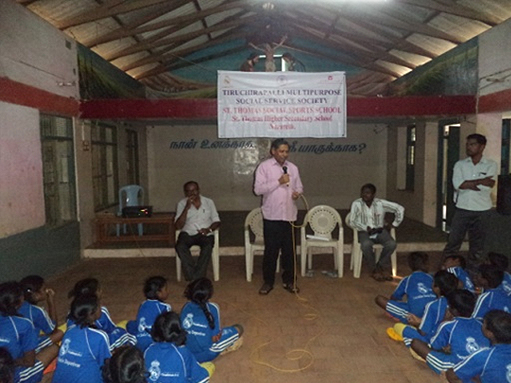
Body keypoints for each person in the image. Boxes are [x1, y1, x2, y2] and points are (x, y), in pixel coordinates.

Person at [254, 138, 303, 295]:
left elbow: (299, 186)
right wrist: (278, 182)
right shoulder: (264, 167)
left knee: (289, 252)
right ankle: (268, 282)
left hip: (289, 216)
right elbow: (258, 190)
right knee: (271, 252)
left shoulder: (293, 168)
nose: (284, 155)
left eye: (287, 151)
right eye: (281, 151)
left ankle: (289, 281)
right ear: (273, 151)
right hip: (272, 217)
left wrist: (297, 194)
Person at [443, 133, 498, 269]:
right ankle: (447, 271)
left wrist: (469, 183)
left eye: (472, 144)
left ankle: (472, 272)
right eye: (467, 144)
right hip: (462, 209)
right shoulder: (460, 165)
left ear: (481, 147)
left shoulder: (491, 165)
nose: (469, 147)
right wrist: (480, 181)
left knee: (477, 246)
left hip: (483, 211)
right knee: (453, 242)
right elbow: (458, 185)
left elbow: (489, 186)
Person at [410, 289, 490, 374]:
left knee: (416, 343)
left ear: (453, 310)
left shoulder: (448, 325)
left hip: (456, 365)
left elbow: (433, 347)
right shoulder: (481, 323)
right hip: (481, 366)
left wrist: (443, 321)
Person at [0, 281, 59, 383]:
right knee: (55, 353)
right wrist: (13, 362)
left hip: (7, 362)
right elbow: (29, 362)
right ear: (20, 300)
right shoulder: (23, 324)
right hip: (11, 375)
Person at [349, 183, 405, 281]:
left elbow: (400, 209)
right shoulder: (356, 204)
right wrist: (365, 228)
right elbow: (352, 221)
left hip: (379, 231)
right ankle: (373, 269)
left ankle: (381, 265)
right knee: (366, 244)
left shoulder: (380, 203)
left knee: (391, 244)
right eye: (363, 193)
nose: (364, 195)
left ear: (374, 194)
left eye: (368, 193)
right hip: (364, 231)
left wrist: (394, 224)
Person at [180, 278, 243, 363]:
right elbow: (215, 338)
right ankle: (228, 346)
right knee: (239, 329)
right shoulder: (213, 308)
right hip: (207, 353)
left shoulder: (186, 307)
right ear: (209, 294)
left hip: (185, 353)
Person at [388, 270, 458, 346]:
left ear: (436, 288)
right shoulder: (455, 302)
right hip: (450, 339)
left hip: (433, 339)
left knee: (398, 327)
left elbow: (423, 332)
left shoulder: (432, 305)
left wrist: (417, 323)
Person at [53, 294, 111, 383]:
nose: (102, 308)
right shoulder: (99, 336)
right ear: (92, 312)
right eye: (99, 306)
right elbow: (106, 366)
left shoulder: (69, 331)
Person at [68, 278, 136, 351]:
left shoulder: (73, 311)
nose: (101, 291)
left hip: (81, 343)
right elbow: (111, 329)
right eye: (99, 289)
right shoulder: (101, 313)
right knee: (124, 334)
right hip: (100, 344)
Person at [144, 311, 212, 383]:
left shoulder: (148, 350)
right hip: (191, 366)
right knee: (209, 366)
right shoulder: (182, 352)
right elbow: (202, 379)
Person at [446, 310, 511, 383]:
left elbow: (452, 376)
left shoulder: (485, 355)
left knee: (447, 372)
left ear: (489, 333)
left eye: (483, 323)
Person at [175, 181, 221, 282]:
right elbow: (178, 226)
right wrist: (186, 208)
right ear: (185, 193)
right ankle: (195, 277)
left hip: (205, 233)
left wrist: (209, 229)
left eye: (194, 190)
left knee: (208, 246)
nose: (192, 193)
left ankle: (195, 278)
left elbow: (217, 221)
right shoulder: (182, 203)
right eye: (189, 191)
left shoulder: (209, 202)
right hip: (187, 233)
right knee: (180, 246)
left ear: (198, 190)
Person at [375, 252, 437, 322]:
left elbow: (395, 297)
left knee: (379, 299)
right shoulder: (432, 278)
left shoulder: (407, 279)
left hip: (414, 314)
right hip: (433, 313)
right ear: (427, 265)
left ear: (410, 266)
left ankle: (412, 319)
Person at [19, 275, 64, 352]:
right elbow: (52, 329)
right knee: (59, 334)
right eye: (44, 289)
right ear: (36, 295)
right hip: (24, 348)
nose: (46, 291)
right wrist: (51, 302)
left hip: (12, 342)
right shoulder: (36, 311)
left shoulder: (17, 305)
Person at [127, 276, 171, 352]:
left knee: (131, 324)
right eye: (166, 289)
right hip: (153, 344)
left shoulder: (143, 304)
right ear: (158, 293)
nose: (168, 291)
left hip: (139, 343)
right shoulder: (165, 307)